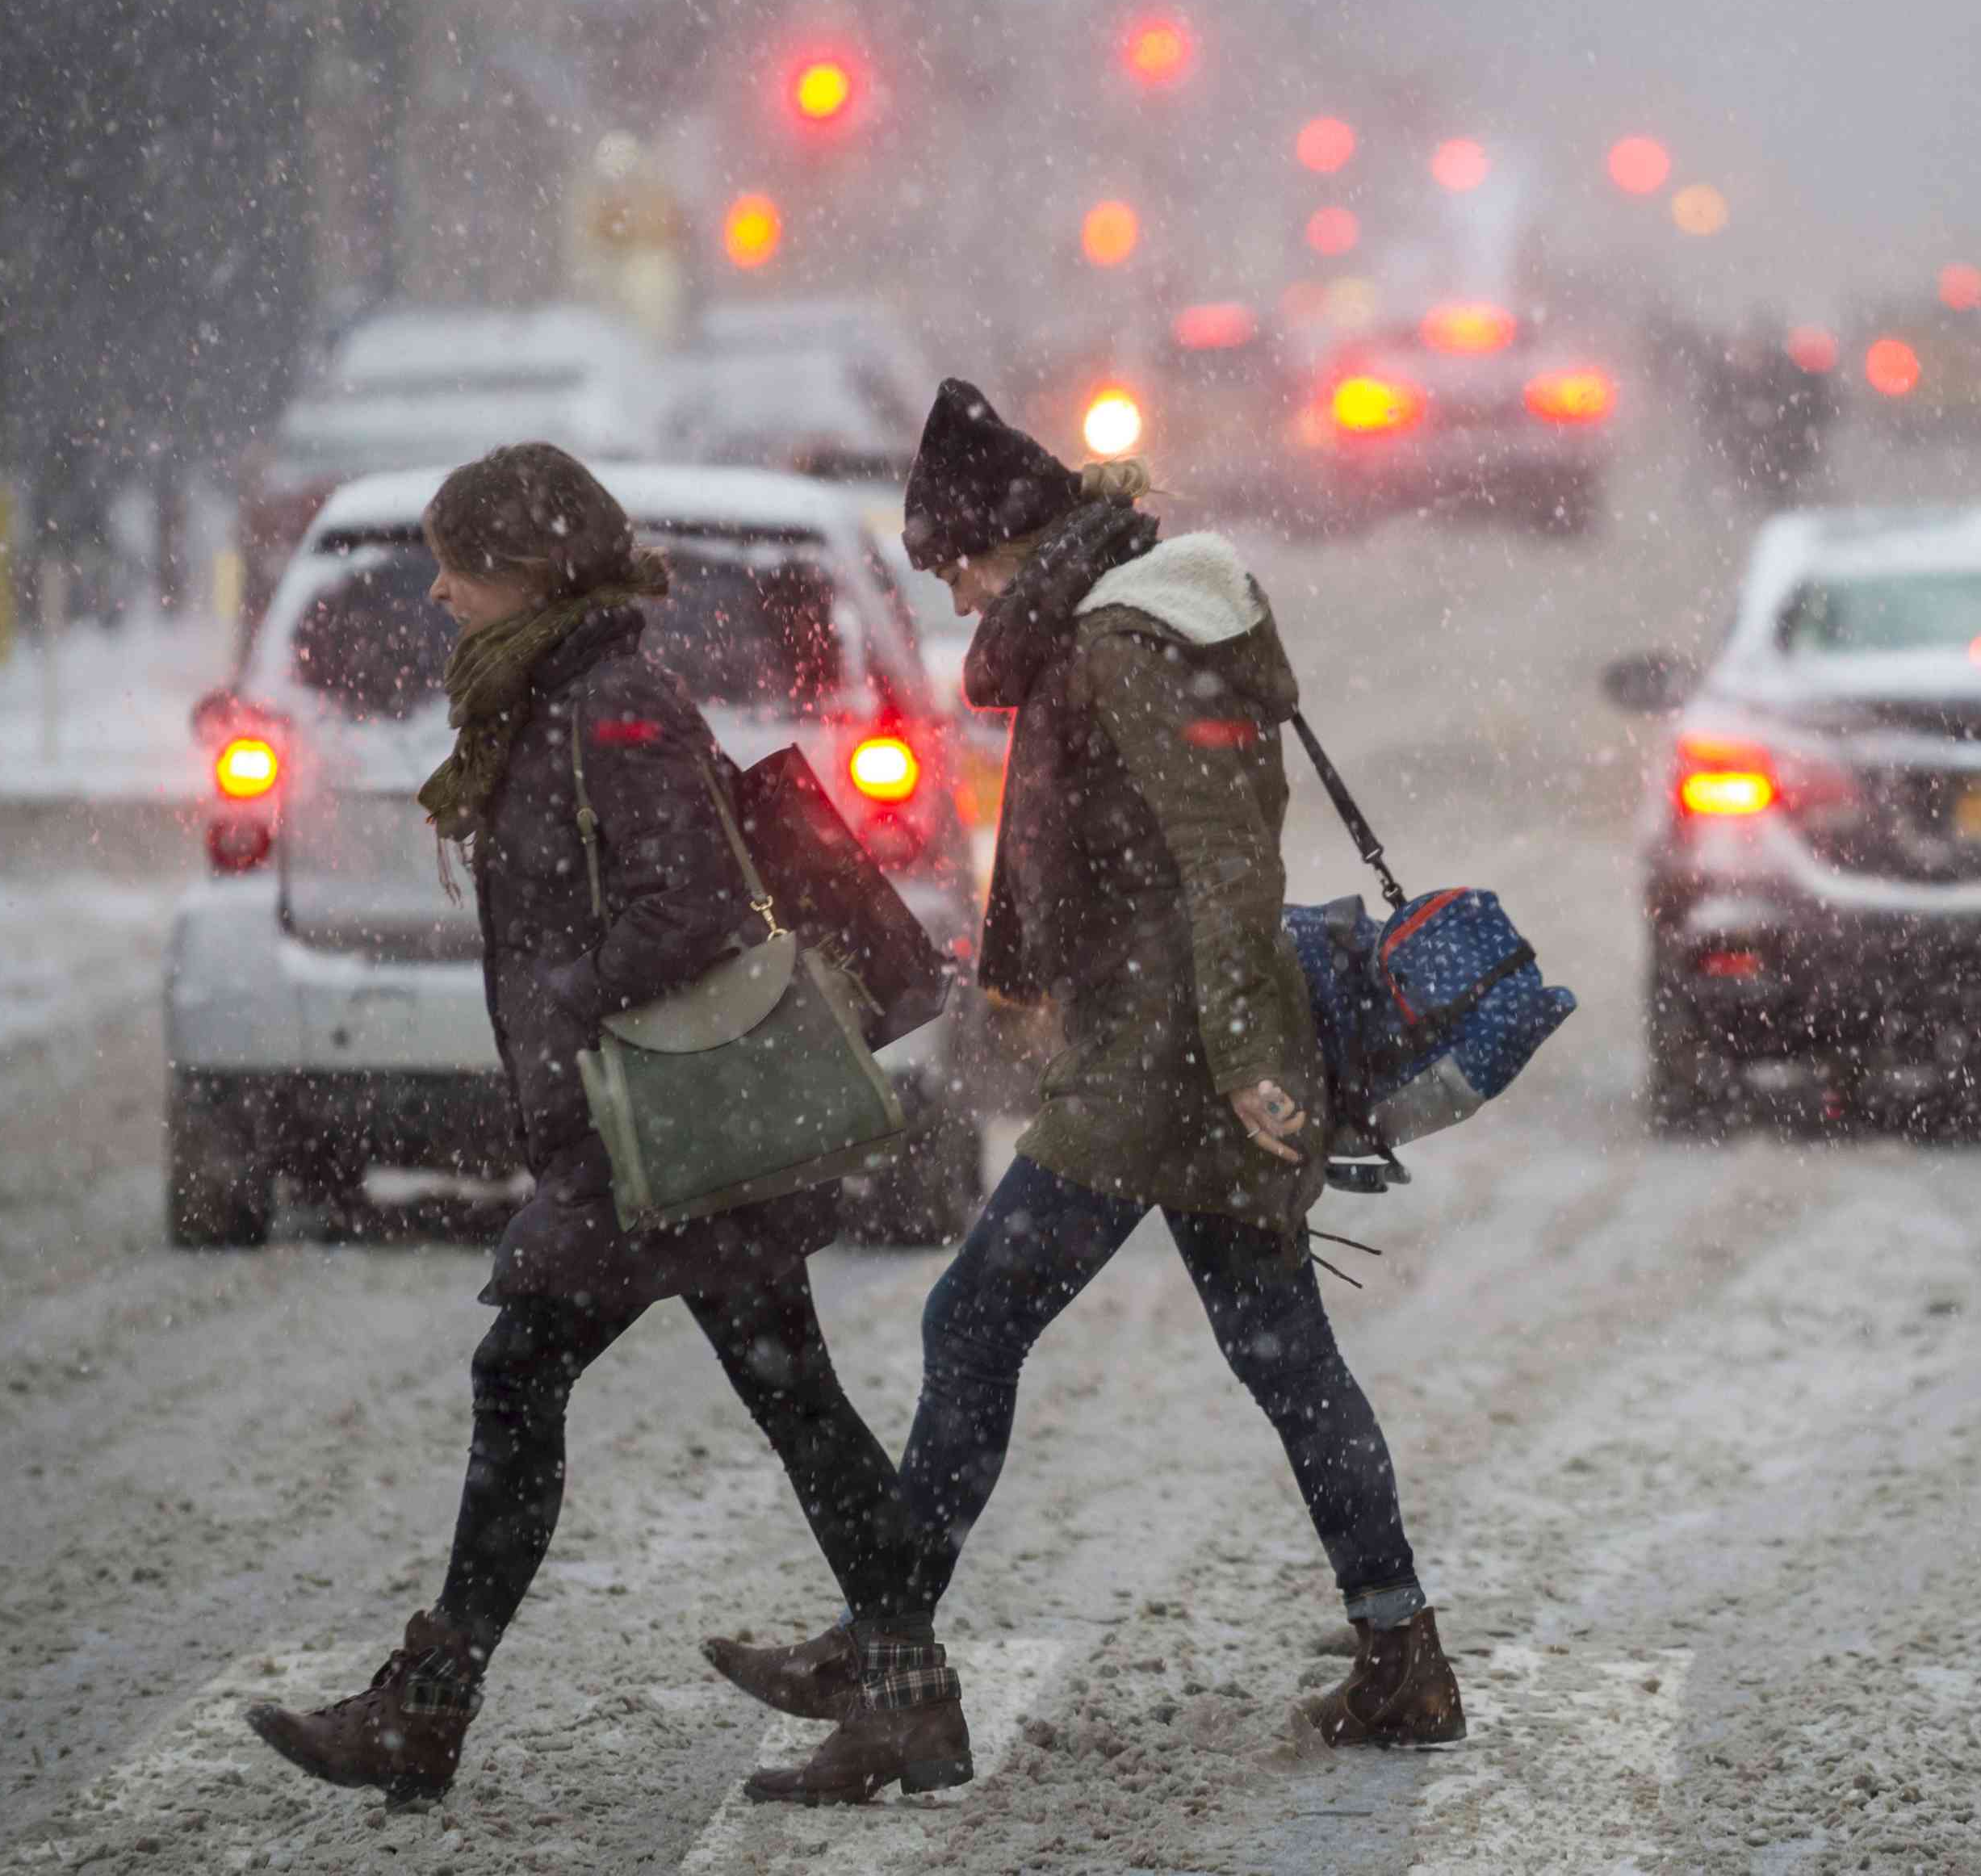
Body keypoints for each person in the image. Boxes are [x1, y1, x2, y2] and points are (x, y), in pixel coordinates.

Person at [706, 381, 1463, 1790]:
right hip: (1156, 1048)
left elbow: (1229, 864)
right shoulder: (1108, 629)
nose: (951, 596)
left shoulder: (1126, 641)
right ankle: (1399, 1656)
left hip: (1168, 1067)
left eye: (953, 567)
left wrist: (1243, 1062)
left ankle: (891, 1669)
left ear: (1011, 540)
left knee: (973, 1321)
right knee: (1283, 1360)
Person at [244, 442, 946, 1808]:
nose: (440, 591)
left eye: (458, 563)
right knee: (783, 1393)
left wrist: (566, 998)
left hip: (661, 1131)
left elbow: (685, 912)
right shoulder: (559, 692)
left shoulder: (610, 704)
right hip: (647, 1131)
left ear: (523, 566)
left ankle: (429, 1706)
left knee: (532, 1376)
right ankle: (906, 1689)